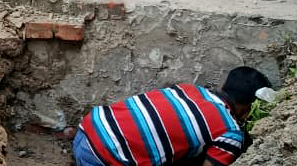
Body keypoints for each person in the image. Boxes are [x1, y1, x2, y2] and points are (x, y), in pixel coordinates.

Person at [73, 66, 272, 166]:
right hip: (105, 159)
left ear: (223, 84)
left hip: (87, 130)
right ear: (247, 109)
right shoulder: (231, 132)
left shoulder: (188, 89)